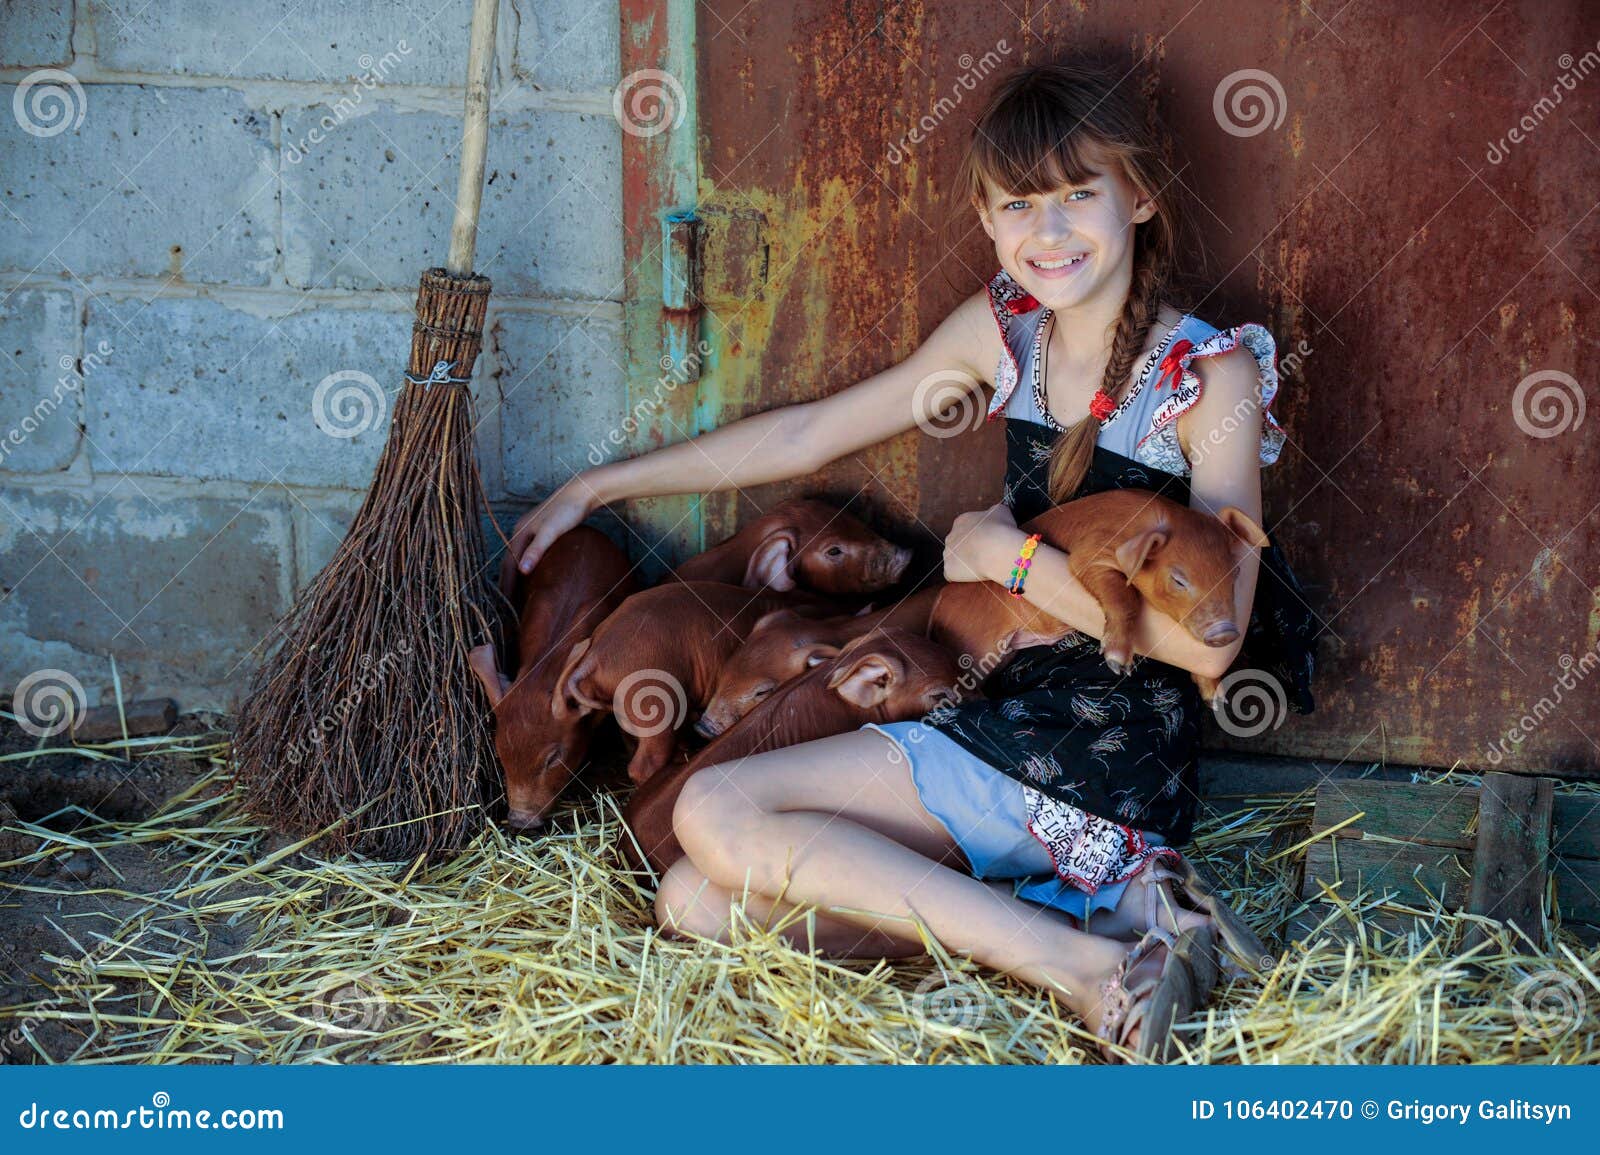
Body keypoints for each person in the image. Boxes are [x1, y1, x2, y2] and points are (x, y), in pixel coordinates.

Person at [498, 61, 1315, 1063]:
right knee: (694, 902)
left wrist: (1003, 557)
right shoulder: (1007, 328)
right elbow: (808, 435)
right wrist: (597, 489)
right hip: (982, 711)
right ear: (985, 215)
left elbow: (1206, 655)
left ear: (1139, 197)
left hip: (1099, 746)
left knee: (716, 804)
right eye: (1019, 205)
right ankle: (1118, 924)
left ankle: (1096, 974)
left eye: (1076, 196)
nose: (1048, 233)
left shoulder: (1205, 375)